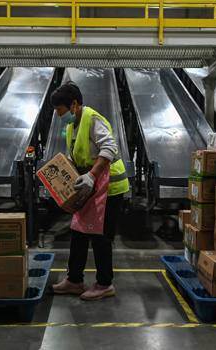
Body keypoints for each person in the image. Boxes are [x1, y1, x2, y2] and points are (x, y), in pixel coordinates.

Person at [48, 81, 130, 301]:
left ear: (73, 104)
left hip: (110, 186)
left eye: (59, 110)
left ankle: (105, 284)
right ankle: (74, 280)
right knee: (78, 231)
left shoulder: (92, 119)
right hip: (91, 187)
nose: (58, 115)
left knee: (101, 236)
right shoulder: (72, 125)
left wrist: (91, 175)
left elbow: (110, 148)